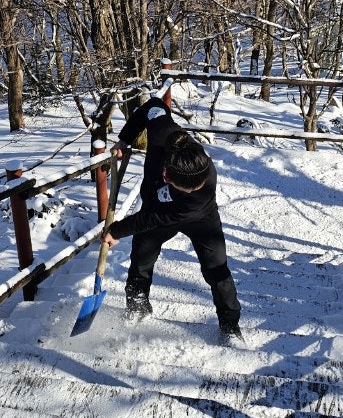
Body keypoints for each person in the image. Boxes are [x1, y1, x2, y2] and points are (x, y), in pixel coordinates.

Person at [102, 95, 243, 343]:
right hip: (157, 208)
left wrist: (116, 230)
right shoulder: (163, 132)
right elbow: (152, 105)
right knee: (141, 258)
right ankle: (137, 306)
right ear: (169, 175)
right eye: (186, 187)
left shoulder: (200, 192)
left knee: (216, 269)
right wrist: (125, 139)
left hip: (200, 219)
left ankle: (230, 325)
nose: (192, 189)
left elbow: (151, 218)